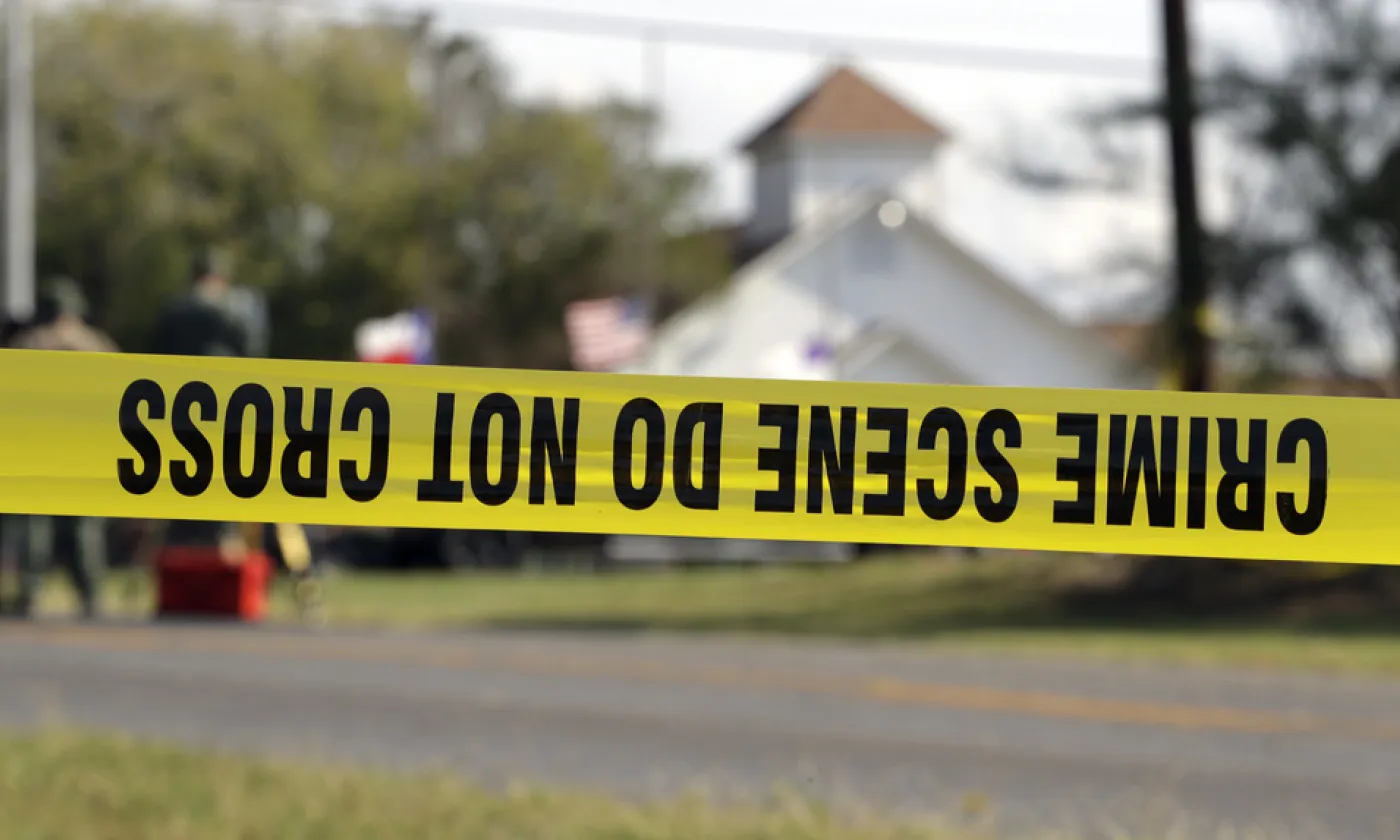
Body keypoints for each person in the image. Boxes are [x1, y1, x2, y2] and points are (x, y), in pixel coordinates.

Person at [9, 276, 120, 619]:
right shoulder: (96, 344)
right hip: (84, 447)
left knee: (34, 522)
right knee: (84, 525)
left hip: (37, 445)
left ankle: (31, 592)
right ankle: (90, 593)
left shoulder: (28, 343)